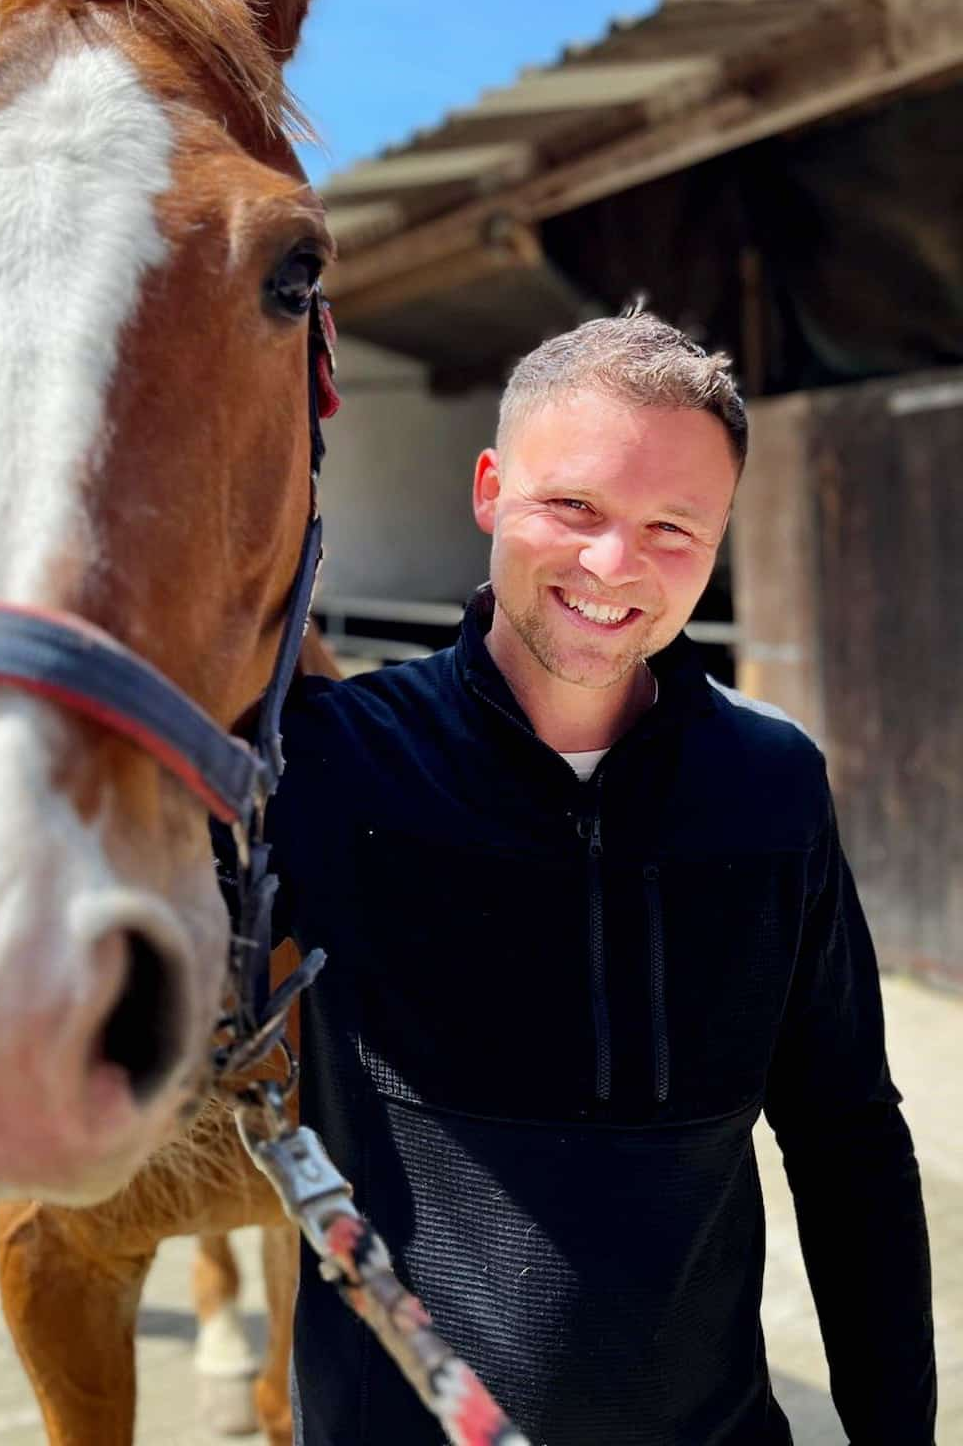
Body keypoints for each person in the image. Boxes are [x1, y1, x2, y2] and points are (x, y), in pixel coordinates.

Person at [263, 309, 936, 1446]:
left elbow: (850, 1141)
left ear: (720, 541)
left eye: (673, 527)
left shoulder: (774, 787)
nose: (614, 565)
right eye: (572, 506)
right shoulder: (331, 764)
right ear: (488, 488)